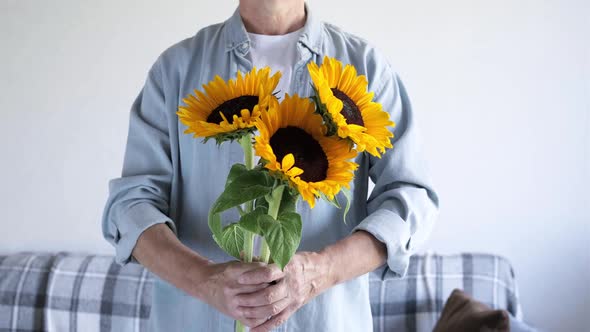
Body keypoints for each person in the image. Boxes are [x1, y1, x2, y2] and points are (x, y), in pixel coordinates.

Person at [102, 1, 439, 331]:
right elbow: (132, 205)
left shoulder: (365, 68)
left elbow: (411, 198)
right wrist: (205, 281)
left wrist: (322, 271)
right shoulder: (175, 69)